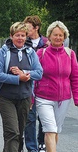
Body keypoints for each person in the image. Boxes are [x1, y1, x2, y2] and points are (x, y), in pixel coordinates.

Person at [0, 22, 43, 152]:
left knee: (19, 133)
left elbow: (39, 72)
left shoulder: (31, 52)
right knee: (12, 131)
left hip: (24, 98)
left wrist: (24, 73)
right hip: (6, 98)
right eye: (17, 35)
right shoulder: (3, 52)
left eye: (22, 35)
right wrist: (17, 79)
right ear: (11, 36)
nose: (20, 38)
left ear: (26, 37)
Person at [34, 21, 78, 152]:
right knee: (50, 129)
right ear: (49, 36)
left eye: (61, 35)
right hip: (43, 98)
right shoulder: (41, 54)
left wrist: (76, 97)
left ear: (64, 37)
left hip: (63, 99)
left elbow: (75, 78)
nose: (58, 38)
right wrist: (31, 98)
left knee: (56, 130)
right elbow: (34, 78)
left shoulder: (70, 54)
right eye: (55, 35)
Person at [23, 15, 48, 152]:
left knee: (44, 117)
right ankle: (32, 148)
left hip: (44, 85)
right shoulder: (23, 42)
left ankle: (42, 143)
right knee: (30, 118)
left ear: (36, 28)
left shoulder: (46, 43)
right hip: (29, 85)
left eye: (28, 28)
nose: (25, 31)